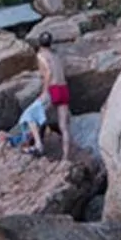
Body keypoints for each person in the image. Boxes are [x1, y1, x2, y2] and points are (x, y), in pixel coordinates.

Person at [35, 31, 72, 161]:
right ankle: (65, 157)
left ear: (38, 43)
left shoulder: (41, 55)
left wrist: (44, 91)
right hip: (63, 88)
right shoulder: (56, 56)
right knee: (64, 125)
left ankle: (38, 146)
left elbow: (48, 73)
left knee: (36, 116)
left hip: (53, 88)